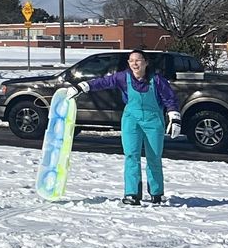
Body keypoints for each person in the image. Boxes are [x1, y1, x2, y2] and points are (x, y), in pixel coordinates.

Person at [77, 48, 181, 204]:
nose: (135, 63)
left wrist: (174, 117)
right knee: (131, 155)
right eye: (131, 61)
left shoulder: (157, 80)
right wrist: (82, 86)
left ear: (146, 62)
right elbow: (104, 82)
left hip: (153, 121)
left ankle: (157, 193)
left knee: (154, 157)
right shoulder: (122, 77)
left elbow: (170, 99)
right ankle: (132, 194)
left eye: (138, 60)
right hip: (131, 120)